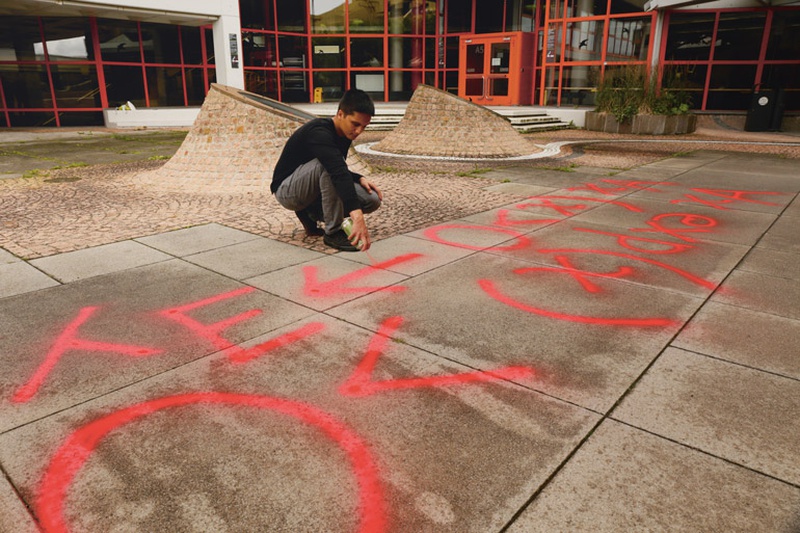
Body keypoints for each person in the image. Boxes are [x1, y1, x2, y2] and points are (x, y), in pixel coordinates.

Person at [271, 89, 382, 252]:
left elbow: (338, 168)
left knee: (371, 199)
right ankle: (333, 232)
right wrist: (356, 216)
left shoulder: (345, 135)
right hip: (287, 191)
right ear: (340, 114)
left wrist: (358, 178)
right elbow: (333, 169)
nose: (359, 131)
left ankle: (311, 213)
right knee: (325, 167)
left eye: (364, 127)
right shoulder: (318, 132)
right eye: (355, 124)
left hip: (311, 185)